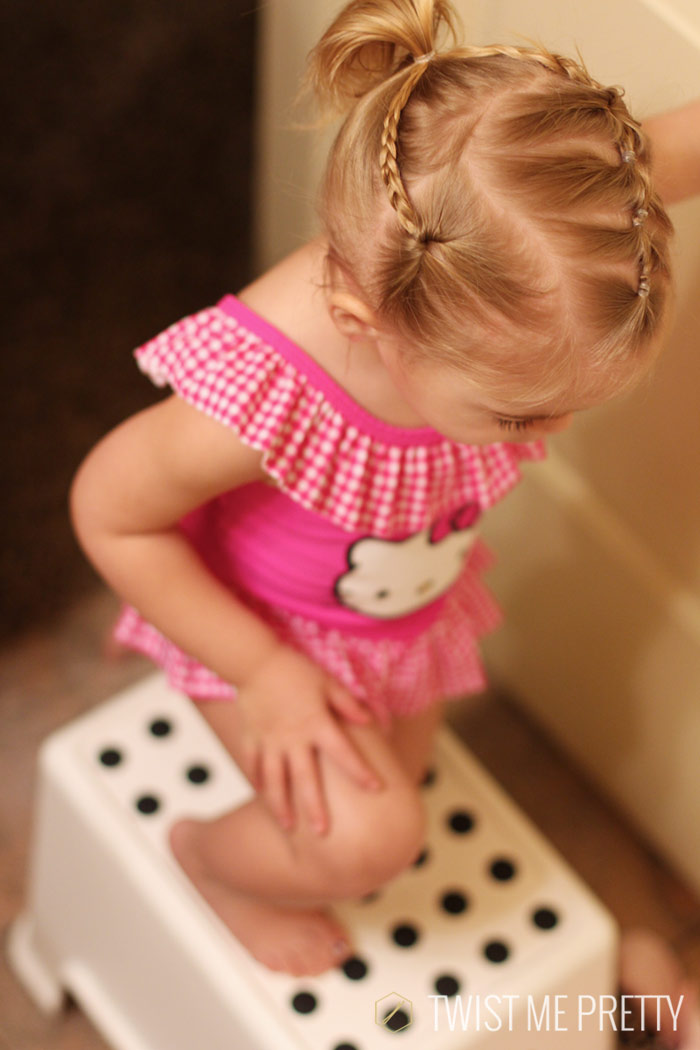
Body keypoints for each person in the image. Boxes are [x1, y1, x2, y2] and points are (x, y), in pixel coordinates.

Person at [70, 0, 697, 980]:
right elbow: (108, 512)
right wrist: (265, 673)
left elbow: (673, 147)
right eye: (520, 415)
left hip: (393, 624)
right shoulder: (269, 392)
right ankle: (207, 860)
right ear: (367, 322)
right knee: (364, 842)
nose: (554, 433)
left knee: (391, 800)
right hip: (264, 632)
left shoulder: (523, 242)